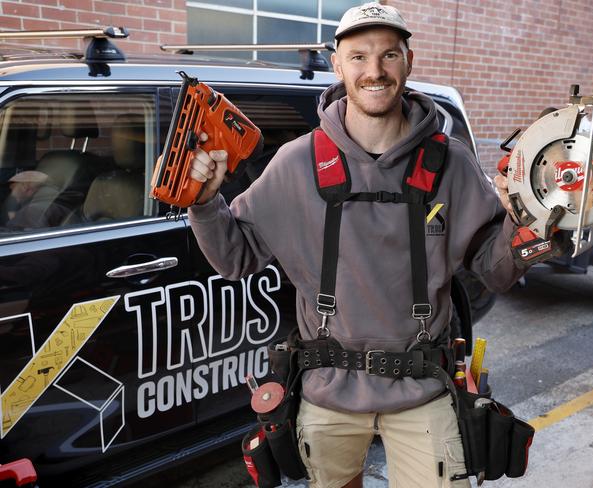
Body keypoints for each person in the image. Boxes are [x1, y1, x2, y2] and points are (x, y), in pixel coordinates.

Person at [187, 3, 524, 487]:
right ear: (338, 64)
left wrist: (530, 219)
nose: (374, 71)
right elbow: (237, 257)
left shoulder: (452, 164)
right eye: (359, 56)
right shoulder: (296, 163)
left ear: (408, 61)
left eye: (389, 55)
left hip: (422, 392)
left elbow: (495, 269)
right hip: (327, 393)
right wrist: (204, 203)